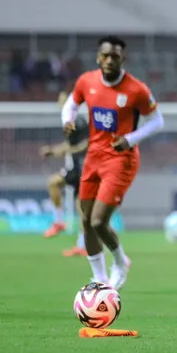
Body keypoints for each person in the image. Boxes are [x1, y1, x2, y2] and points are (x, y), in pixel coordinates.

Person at [61, 36, 165, 289]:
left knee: (98, 221)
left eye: (115, 56)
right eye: (105, 56)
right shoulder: (87, 81)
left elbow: (158, 121)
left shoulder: (136, 89)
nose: (109, 60)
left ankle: (120, 262)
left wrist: (130, 139)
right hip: (94, 157)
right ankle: (99, 279)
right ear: (98, 58)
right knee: (85, 220)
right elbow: (70, 105)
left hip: (121, 160)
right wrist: (67, 120)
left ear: (123, 59)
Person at [40, 91, 90, 257]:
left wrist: (58, 151)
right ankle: (79, 243)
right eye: (60, 102)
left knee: (55, 184)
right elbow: (69, 145)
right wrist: (54, 151)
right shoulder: (70, 122)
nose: (60, 105)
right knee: (78, 206)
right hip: (76, 167)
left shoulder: (78, 121)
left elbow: (86, 144)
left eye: (63, 102)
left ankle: (60, 222)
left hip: (82, 168)